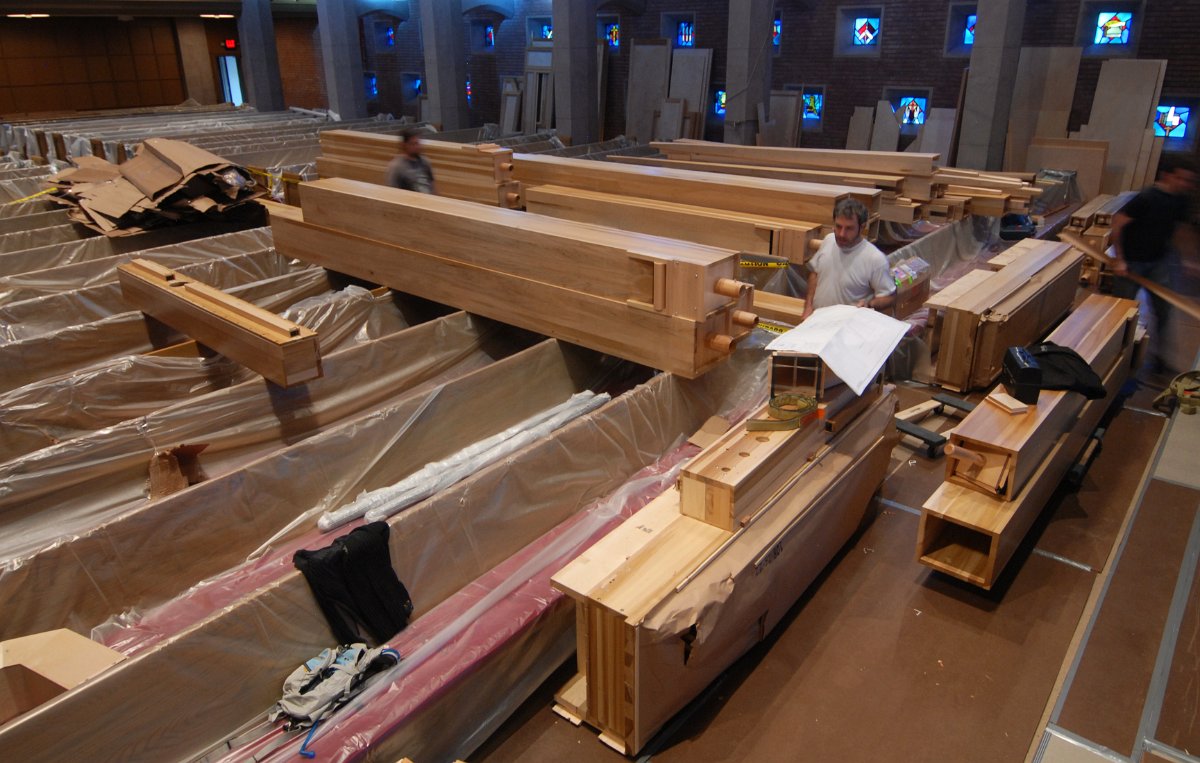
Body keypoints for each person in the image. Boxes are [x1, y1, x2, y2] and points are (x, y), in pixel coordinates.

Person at [1110, 154, 1197, 372]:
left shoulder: (1181, 200)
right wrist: (1119, 259)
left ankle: (1160, 360)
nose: (1185, 184)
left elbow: (1181, 229)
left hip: (1158, 262)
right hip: (1131, 262)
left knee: (1164, 310)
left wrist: (1186, 259)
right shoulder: (1147, 198)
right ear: (1168, 176)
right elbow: (1118, 224)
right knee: (1122, 311)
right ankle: (1111, 356)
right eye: (1181, 179)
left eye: (1189, 181)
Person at [801, 197, 896, 320]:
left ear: (862, 227)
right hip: (818, 321)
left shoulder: (875, 259)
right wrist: (808, 306)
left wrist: (870, 305)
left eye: (849, 228)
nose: (841, 234)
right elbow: (815, 273)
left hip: (846, 329)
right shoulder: (829, 240)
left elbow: (889, 296)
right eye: (838, 226)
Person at [385, 127, 435, 194]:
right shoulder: (396, 167)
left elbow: (432, 186)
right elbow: (393, 193)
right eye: (413, 144)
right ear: (404, 145)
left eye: (418, 143)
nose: (417, 147)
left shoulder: (425, 161)